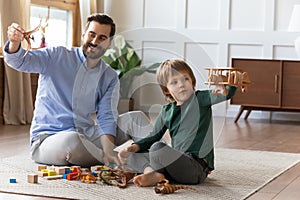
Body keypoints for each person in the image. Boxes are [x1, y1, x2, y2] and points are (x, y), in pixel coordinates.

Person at [3, 13, 122, 167]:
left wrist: (108, 147)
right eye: (91, 35)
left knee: (135, 120)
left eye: (102, 38)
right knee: (72, 142)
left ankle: (116, 156)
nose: (94, 42)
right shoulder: (56, 56)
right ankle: (125, 160)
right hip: (49, 140)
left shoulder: (109, 76)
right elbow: (19, 60)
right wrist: (14, 42)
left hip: (84, 135)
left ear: (109, 43)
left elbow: (106, 116)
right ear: (83, 34)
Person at [118, 59, 238, 187]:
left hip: (196, 168)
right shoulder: (166, 111)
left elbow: (225, 94)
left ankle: (154, 172)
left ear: (192, 81)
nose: (181, 85)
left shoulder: (200, 99)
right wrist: (134, 147)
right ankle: (156, 175)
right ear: (166, 90)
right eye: (174, 82)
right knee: (132, 155)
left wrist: (227, 85)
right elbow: (153, 136)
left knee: (158, 148)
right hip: (176, 164)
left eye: (185, 79)